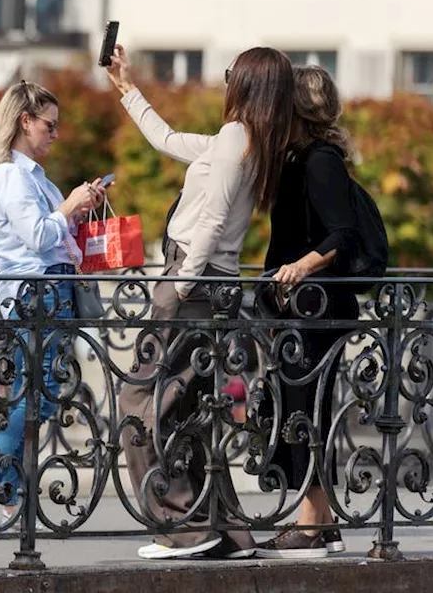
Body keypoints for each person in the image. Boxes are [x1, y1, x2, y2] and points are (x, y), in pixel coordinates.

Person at [105, 44, 294, 560]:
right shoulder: (251, 143)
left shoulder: (236, 138)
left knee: (142, 404)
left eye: (231, 73)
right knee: (193, 411)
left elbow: (210, 221)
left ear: (247, 85)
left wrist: (182, 283)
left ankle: (181, 529)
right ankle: (227, 532)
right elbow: (167, 140)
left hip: (195, 280)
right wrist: (127, 88)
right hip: (216, 285)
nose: (225, 80)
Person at [0, 81, 104, 532]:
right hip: (35, 292)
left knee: (41, 395)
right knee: (39, 395)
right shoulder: (11, 176)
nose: (56, 135)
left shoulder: (33, 176)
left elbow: (55, 237)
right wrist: (69, 206)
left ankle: (3, 489)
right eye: (49, 126)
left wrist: (76, 206)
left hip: (49, 289)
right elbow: (37, 237)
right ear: (25, 122)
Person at [253, 65, 358, 559]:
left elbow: (341, 235)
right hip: (303, 310)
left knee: (305, 411)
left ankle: (311, 526)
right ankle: (323, 521)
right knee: (298, 408)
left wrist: (299, 266)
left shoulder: (320, 160)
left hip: (317, 311)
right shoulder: (301, 159)